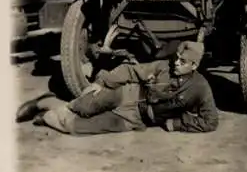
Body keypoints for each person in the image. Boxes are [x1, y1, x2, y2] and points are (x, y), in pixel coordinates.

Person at [17, 41, 218, 135]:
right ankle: (45, 102)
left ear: (194, 66)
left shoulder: (200, 87)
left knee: (78, 128)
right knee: (84, 106)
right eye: (176, 59)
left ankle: (47, 116)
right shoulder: (163, 66)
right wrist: (101, 82)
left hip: (136, 119)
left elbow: (210, 121)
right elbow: (130, 71)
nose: (176, 64)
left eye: (182, 62)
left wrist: (178, 124)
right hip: (126, 95)